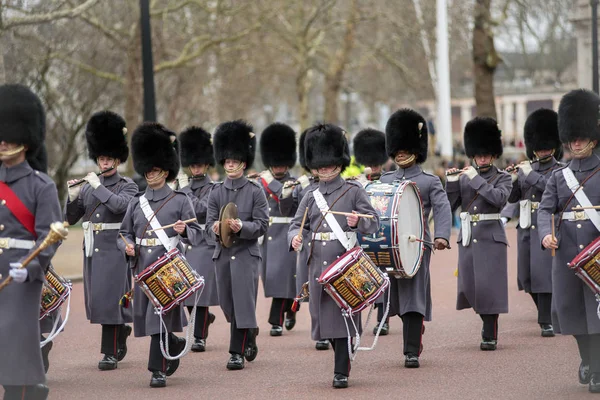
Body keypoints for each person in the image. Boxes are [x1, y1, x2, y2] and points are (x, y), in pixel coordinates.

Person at [288, 123, 380, 389]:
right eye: (321, 166)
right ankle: (344, 350)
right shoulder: (309, 195)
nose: (325, 169)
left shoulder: (353, 191)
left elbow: (372, 222)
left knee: (342, 316)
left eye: (330, 165)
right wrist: (294, 237)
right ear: (314, 166)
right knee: (321, 320)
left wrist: (356, 222)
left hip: (344, 262)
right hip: (316, 263)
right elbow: (297, 225)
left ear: (339, 163)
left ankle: (341, 369)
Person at [118, 122, 202, 388]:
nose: (152, 174)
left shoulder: (180, 200)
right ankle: (173, 346)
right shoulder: (135, 203)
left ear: (166, 171)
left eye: (156, 170)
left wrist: (184, 228)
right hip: (143, 268)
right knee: (154, 318)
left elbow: (197, 234)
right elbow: (123, 234)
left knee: (161, 317)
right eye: (149, 170)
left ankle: (158, 369)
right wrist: (128, 247)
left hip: (168, 268)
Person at [0, 84, 62, 400]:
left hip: (21, 275)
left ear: (24, 141)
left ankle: (24, 392)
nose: (2, 142)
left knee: (15, 343)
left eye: (8, 136)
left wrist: (34, 268)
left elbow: (49, 237)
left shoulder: (41, 186)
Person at [538, 89, 600, 393]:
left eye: (581, 137)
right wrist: (545, 234)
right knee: (572, 313)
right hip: (566, 258)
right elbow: (545, 209)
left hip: (597, 256)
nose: (576, 142)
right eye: (572, 138)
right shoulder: (559, 176)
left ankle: (597, 368)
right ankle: (586, 358)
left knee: (597, 315)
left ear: (593, 137)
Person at [380, 109, 452, 367]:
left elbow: (443, 208)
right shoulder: (386, 179)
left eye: (405, 148)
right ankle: (414, 329)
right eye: (397, 149)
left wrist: (442, 235)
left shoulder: (429, 181)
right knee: (396, 297)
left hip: (417, 245)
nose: (400, 153)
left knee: (413, 296)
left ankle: (411, 349)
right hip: (390, 246)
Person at [65, 111, 136, 370]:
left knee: (111, 298)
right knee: (98, 300)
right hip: (93, 249)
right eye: (101, 158)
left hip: (114, 248)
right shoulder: (87, 186)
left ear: (116, 160)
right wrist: (72, 195)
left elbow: (120, 207)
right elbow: (71, 218)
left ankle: (109, 352)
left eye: (108, 158)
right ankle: (120, 335)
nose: (104, 162)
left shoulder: (126, 185)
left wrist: (97, 187)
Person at [206, 120, 269, 370]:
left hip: (246, 254)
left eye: (235, 161)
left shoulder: (255, 192)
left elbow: (262, 224)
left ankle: (236, 352)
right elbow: (209, 222)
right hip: (222, 254)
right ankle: (250, 329)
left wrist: (242, 227)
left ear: (243, 163)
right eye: (227, 161)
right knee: (228, 305)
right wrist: (213, 228)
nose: (230, 165)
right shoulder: (216, 192)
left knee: (243, 302)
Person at [446, 117, 511, 351]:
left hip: (491, 236)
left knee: (489, 287)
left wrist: (476, 180)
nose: (482, 158)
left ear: (493, 155)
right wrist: (452, 182)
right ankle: (486, 322)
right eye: (479, 154)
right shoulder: (464, 178)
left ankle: (489, 332)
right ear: (473, 154)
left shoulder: (502, 177)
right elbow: (451, 205)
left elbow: (499, 199)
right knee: (471, 287)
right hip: (469, 236)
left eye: (486, 154)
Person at [503, 108, 562, 338]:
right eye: (539, 147)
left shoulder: (560, 170)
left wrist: (528, 174)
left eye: (547, 146)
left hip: (547, 225)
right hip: (526, 227)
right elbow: (514, 197)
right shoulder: (528, 168)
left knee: (543, 275)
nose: (543, 150)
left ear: (554, 146)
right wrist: (510, 180)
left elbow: (550, 188)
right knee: (527, 277)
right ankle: (548, 313)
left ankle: (546, 319)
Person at [279, 129, 330, 350]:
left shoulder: (348, 187)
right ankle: (320, 332)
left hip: (336, 245)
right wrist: (287, 194)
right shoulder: (306, 189)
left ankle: (332, 331)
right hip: (311, 246)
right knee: (313, 291)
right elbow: (292, 217)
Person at [177, 126, 218, 353]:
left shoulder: (214, 189)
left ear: (207, 164)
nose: (196, 168)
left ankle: (199, 336)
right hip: (184, 242)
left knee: (199, 291)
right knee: (186, 292)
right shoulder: (182, 187)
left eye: (200, 164)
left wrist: (184, 190)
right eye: (193, 164)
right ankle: (201, 323)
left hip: (203, 241)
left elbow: (201, 211)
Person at [257, 123, 299, 337]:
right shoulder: (259, 181)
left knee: (283, 276)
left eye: (282, 163)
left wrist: (271, 182)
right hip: (267, 235)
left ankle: (276, 320)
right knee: (273, 277)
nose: (279, 167)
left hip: (286, 234)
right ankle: (292, 308)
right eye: (276, 163)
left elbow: (286, 205)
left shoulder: (295, 182)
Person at [352, 128, 391, 335]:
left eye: (377, 163)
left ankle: (383, 318)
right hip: (362, 235)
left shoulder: (390, 180)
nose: (374, 167)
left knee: (384, 274)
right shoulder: (357, 182)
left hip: (384, 235)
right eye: (370, 163)